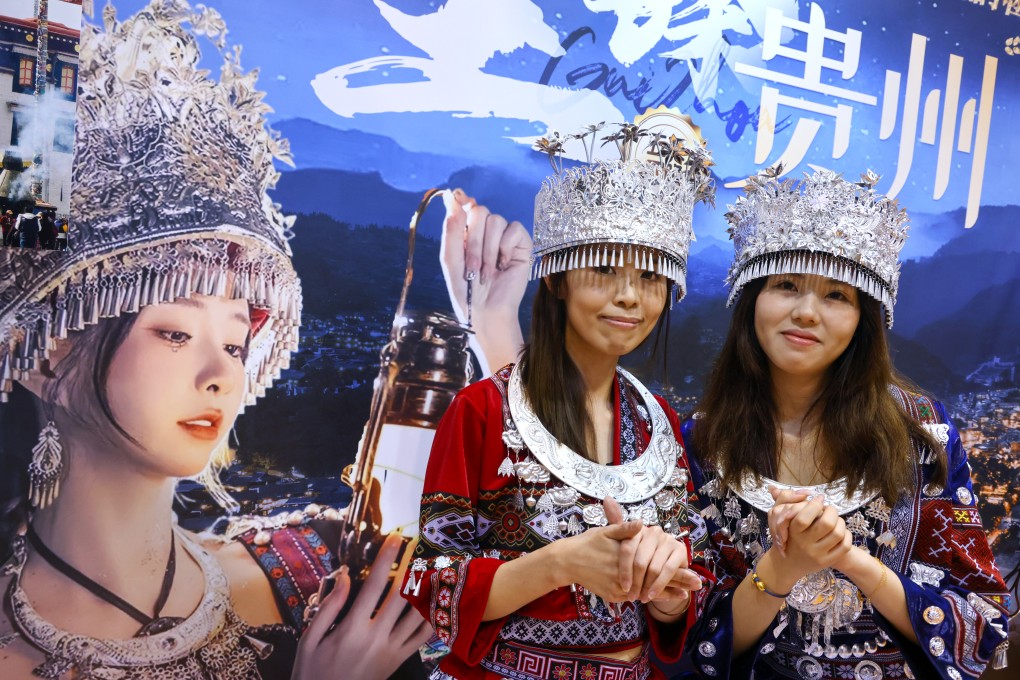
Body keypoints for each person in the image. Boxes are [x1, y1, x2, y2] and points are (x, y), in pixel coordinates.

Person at [0, 3, 429, 678]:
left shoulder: (311, 576)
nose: (221, 377)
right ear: (51, 354)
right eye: (174, 332)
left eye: (235, 345)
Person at [402, 122, 716, 679]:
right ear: (555, 279)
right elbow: (435, 582)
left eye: (650, 276)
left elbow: (694, 579)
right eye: (603, 268)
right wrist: (558, 563)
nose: (628, 296)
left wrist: (669, 590)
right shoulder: (482, 410)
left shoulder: (659, 421)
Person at [682, 167, 1011, 679]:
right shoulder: (703, 441)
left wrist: (857, 564)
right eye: (786, 284)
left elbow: (982, 618)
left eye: (837, 295)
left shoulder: (921, 433)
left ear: (865, 318)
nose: (807, 312)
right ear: (750, 302)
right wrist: (782, 570)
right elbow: (691, 635)